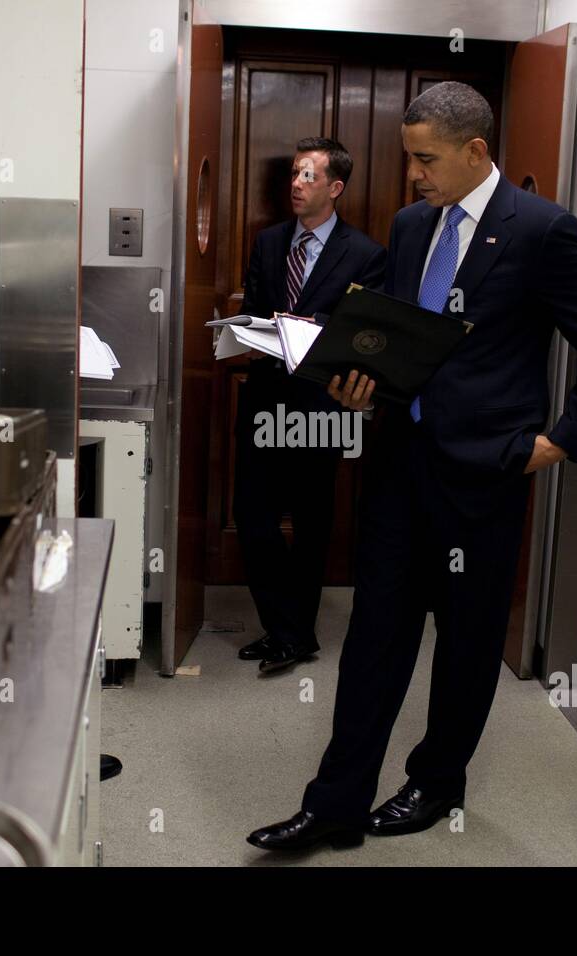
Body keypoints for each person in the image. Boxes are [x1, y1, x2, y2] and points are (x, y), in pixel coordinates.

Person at [248, 82, 577, 850]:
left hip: (485, 474)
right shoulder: (412, 225)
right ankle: (336, 805)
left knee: (465, 641)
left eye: (426, 159)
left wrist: (561, 440)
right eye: (409, 157)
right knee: (372, 639)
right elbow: (398, 337)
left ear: (476, 151)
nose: (415, 173)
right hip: (399, 467)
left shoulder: (542, 231)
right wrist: (360, 384)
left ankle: (436, 780)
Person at [233, 137, 386, 674]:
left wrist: (310, 333)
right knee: (252, 518)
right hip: (263, 399)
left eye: (308, 176)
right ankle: (288, 632)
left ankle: (290, 634)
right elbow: (254, 309)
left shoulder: (366, 255)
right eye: (294, 174)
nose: (295, 184)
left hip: (320, 406)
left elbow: (366, 335)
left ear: (335, 187)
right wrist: (245, 330)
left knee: (311, 520)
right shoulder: (269, 243)